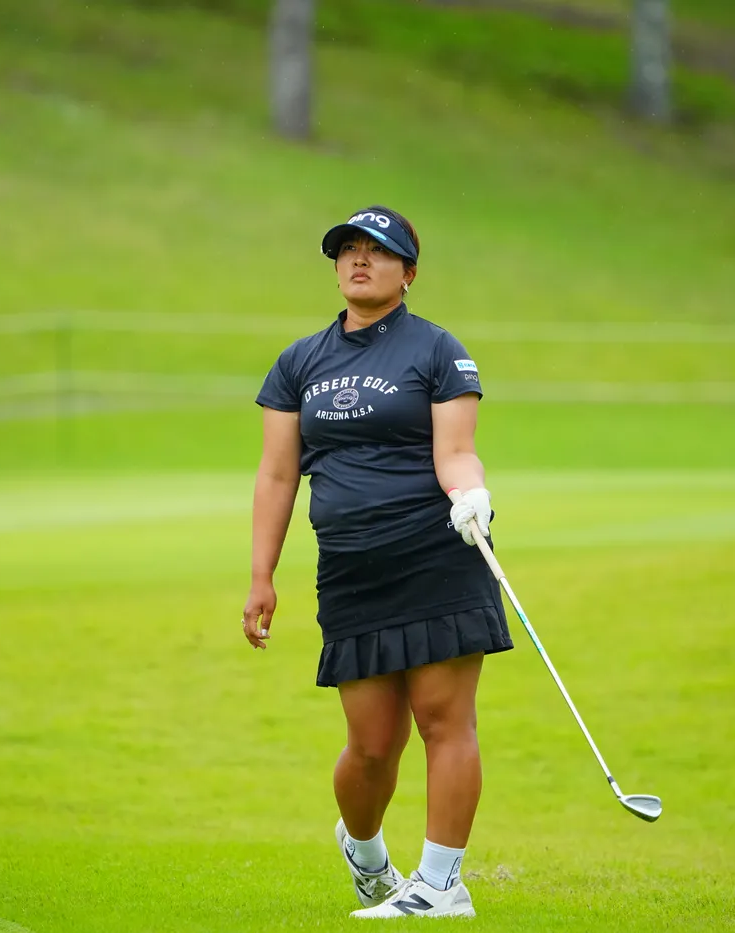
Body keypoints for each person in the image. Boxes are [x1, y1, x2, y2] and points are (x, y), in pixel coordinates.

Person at [241, 205, 513, 919]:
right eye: (349, 250)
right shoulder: (299, 362)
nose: (360, 260)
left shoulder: (438, 351)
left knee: (444, 721)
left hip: (435, 556)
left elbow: (456, 450)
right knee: (370, 747)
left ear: (408, 272)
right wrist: (262, 575)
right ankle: (366, 856)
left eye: (379, 250)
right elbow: (277, 474)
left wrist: (472, 495)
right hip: (352, 570)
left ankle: (441, 885)